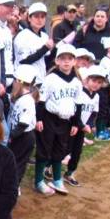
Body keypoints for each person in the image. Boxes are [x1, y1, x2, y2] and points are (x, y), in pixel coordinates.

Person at [34, 44, 83, 196]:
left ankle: (57, 179)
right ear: (57, 61)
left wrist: (76, 122)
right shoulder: (50, 78)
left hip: (66, 121)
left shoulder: (77, 82)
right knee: (44, 149)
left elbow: (78, 103)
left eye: (70, 59)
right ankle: (38, 181)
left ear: (74, 61)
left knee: (59, 150)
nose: (66, 62)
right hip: (49, 118)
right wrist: (39, 119)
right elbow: (41, 100)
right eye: (62, 59)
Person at [64, 66, 105, 186]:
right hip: (72, 126)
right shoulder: (80, 92)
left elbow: (94, 112)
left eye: (99, 82)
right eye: (94, 81)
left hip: (82, 129)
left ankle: (69, 173)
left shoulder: (96, 96)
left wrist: (90, 124)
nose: (96, 85)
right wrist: (82, 125)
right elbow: (75, 112)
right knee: (64, 150)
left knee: (77, 152)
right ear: (86, 80)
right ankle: (49, 167)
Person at [7, 64, 39, 193]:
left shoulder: (27, 101)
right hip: (18, 135)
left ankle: (15, 188)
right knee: (13, 162)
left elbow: (23, 124)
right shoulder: (19, 97)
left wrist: (11, 137)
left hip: (24, 137)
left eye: (15, 80)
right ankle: (12, 186)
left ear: (18, 82)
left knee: (18, 164)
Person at [13, 2, 54, 86]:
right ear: (29, 18)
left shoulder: (44, 36)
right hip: (24, 81)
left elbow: (46, 60)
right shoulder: (22, 36)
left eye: (42, 17)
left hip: (40, 80)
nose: (39, 20)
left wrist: (55, 49)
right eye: (36, 16)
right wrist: (45, 48)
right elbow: (24, 61)